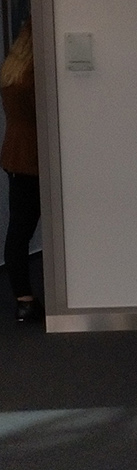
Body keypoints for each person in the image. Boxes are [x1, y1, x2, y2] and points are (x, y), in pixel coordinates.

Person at [1, 19, 39, 322]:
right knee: (22, 230)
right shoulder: (34, 73)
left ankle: (22, 298)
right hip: (34, 156)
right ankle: (26, 299)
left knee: (18, 230)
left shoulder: (12, 69)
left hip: (14, 153)